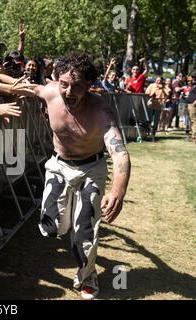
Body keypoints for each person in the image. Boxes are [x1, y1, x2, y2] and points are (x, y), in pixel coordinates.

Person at [34, 53, 131, 300]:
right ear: (57, 81)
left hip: (92, 168)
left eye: (77, 85)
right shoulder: (50, 92)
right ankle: (64, 225)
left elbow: (120, 154)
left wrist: (117, 191)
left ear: (89, 85)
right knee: (52, 227)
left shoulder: (101, 112)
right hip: (59, 165)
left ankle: (87, 277)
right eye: (64, 84)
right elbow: (18, 87)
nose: (69, 91)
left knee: (85, 229)